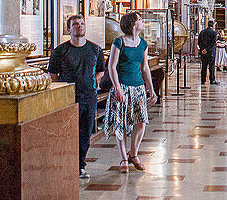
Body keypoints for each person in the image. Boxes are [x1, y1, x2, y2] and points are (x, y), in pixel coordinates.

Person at [47, 14, 106, 179]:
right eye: (75, 24)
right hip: (68, 98)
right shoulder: (60, 51)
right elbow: (53, 73)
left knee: (85, 134)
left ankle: (80, 165)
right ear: (69, 29)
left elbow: (101, 70)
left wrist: (92, 81)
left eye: (82, 24)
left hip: (89, 97)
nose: (79, 26)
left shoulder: (95, 49)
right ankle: (67, 162)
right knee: (67, 132)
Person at [105, 12, 158, 172]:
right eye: (140, 20)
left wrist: (151, 88)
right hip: (122, 86)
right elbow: (112, 66)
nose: (142, 22)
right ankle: (123, 158)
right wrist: (118, 88)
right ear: (133, 24)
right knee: (121, 123)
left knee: (141, 122)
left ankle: (133, 154)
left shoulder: (142, 43)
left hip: (138, 87)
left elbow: (145, 67)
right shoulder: (119, 42)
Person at [198, 19, 219, 85]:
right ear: (212, 26)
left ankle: (203, 80)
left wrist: (203, 50)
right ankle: (212, 80)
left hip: (203, 53)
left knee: (204, 67)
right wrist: (207, 50)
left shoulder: (202, 32)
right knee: (211, 67)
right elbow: (213, 44)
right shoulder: (214, 33)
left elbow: (199, 42)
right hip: (210, 53)